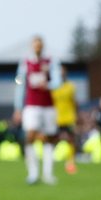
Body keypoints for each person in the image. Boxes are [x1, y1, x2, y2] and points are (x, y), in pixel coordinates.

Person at [13, 35, 61, 184]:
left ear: (43, 46)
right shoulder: (25, 63)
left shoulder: (51, 61)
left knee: (49, 138)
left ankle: (48, 174)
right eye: (35, 45)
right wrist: (18, 107)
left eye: (39, 45)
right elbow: (19, 83)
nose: (37, 48)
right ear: (32, 46)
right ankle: (33, 173)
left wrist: (49, 85)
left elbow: (58, 80)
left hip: (48, 105)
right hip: (31, 105)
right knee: (30, 136)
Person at [51, 64, 78, 174]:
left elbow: (74, 102)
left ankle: (70, 161)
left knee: (71, 140)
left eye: (63, 71)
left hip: (69, 117)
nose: (61, 74)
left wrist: (77, 115)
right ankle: (51, 160)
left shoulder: (70, 86)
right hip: (56, 118)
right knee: (53, 140)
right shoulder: (53, 87)